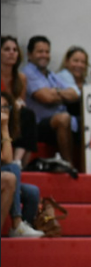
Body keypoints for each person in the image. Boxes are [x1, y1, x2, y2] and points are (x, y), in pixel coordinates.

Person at [22, 35, 80, 165]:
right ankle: (68, 164)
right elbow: (46, 98)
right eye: (40, 51)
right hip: (38, 125)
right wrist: (62, 96)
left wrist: (57, 92)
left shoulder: (51, 75)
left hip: (56, 124)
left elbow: (75, 94)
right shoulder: (28, 72)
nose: (44, 55)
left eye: (47, 52)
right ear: (29, 54)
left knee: (85, 122)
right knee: (63, 118)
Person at [1, 92, 44, 237]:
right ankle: (16, 223)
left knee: (32, 192)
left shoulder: (5, 127)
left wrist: (5, 128)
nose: (2, 111)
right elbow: (7, 160)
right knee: (12, 168)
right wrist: (4, 128)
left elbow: (6, 158)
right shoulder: (3, 127)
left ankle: (23, 228)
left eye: (5, 107)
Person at [1, 35, 38, 168]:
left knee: (28, 114)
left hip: (13, 113)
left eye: (15, 50)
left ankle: (18, 161)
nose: (12, 52)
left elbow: (20, 101)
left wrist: (17, 105)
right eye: (7, 49)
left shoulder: (21, 78)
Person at [56, 46, 89, 134]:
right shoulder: (63, 75)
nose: (79, 65)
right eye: (76, 61)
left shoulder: (85, 82)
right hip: (65, 120)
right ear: (67, 62)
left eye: (83, 62)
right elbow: (77, 95)